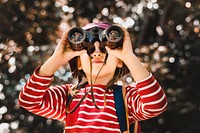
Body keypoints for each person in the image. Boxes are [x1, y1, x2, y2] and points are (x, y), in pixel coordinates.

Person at [18, 22, 167, 133]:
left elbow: (156, 104)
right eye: (89, 50)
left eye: (104, 49)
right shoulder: (68, 97)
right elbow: (29, 100)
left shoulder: (126, 97)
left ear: (120, 61)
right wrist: (57, 58)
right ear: (78, 63)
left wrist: (129, 56)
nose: (97, 53)